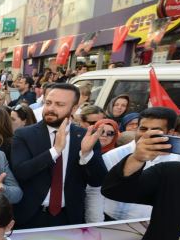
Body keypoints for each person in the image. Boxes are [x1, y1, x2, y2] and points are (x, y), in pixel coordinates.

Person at [10, 83, 107, 228]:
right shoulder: (25, 134)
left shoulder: (84, 137)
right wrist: (55, 151)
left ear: (74, 108)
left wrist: (86, 154)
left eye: (59, 104)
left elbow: (97, 181)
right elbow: (21, 172)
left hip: (68, 217)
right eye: (48, 103)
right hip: (30, 218)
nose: (51, 108)